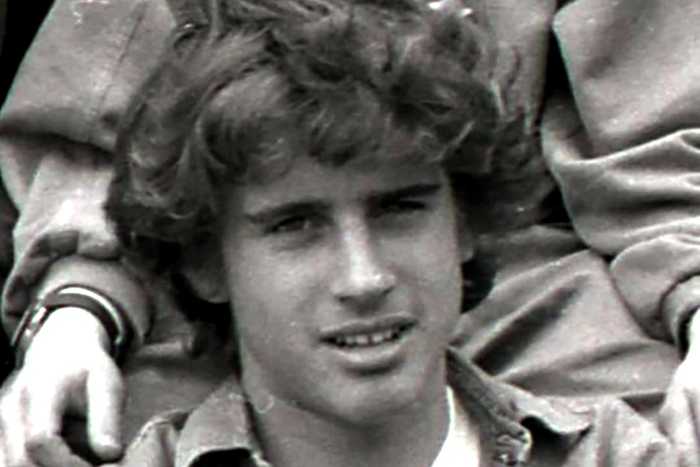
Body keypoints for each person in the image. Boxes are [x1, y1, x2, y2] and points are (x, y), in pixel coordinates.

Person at [0, 0, 697, 464]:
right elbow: (101, 138)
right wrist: (77, 310)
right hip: (222, 284)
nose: (362, 279)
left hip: (522, 268)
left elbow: (662, 129)